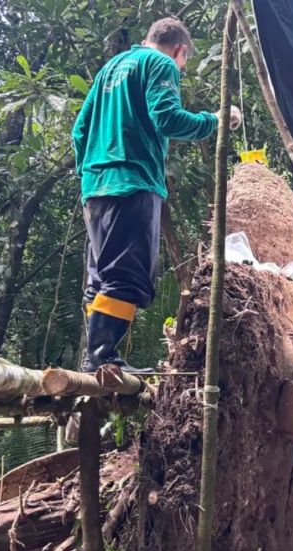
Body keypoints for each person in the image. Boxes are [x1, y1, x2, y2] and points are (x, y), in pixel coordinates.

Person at [72, 16, 241, 372]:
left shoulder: (111, 69)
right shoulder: (159, 63)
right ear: (180, 51)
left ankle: (95, 357)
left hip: (95, 188)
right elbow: (167, 118)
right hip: (132, 182)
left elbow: (79, 131)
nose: (179, 69)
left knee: (101, 277)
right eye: (183, 63)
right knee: (127, 275)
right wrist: (216, 119)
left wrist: (90, 174)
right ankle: (102, 359)